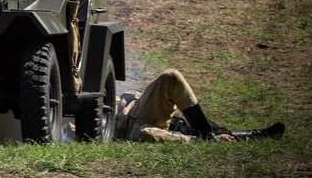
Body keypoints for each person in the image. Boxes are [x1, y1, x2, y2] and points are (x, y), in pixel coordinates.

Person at [115, 69, 285, 143]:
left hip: (138, 108)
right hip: (132, 128)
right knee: (144, 134)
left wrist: (126, 100)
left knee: (171, 77)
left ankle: (211, 135)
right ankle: (207, 139)